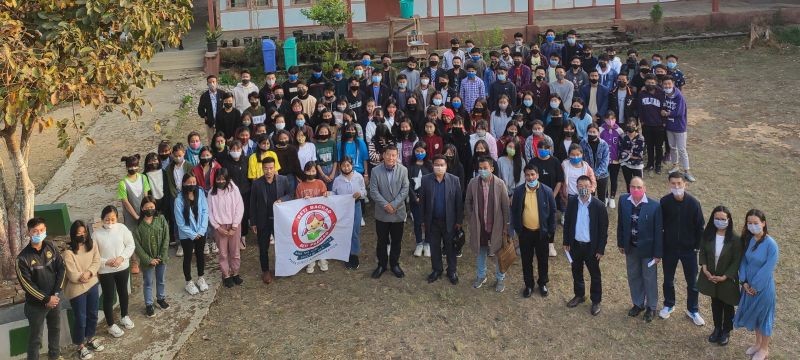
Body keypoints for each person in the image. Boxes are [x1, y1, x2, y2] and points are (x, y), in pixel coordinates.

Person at [658, 172, 705, 324]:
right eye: (673, 184)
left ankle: (693, 310)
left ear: (685, 184)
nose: (676, 186)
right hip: (669, 249)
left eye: (679, 183)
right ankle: (668, 304)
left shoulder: (694, 203)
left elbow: (700, 227)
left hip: (689, 250)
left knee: (692, 282)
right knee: (668, 279)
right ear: (669, 185)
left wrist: (697, 247)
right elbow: (660, 225)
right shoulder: (664, 202)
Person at [17, 218, 66, 360]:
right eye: (35, 231)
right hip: (36, 306)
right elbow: (27, 285)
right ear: (29, 232)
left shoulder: (51, 247)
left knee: (55, 330)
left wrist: (56, 293)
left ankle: (55, 356)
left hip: (54, 300)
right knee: (35, 339)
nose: (39, 233)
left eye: (42, 230)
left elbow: (61, 269)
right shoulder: (22, 259)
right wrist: (46, 299)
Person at [617, 177, 663, 322]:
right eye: (632, 187)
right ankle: (638, 303)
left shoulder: (654, 206)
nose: (635, 190)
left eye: (638, 187)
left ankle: (651, 307)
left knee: (649, 278)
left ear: (644, 188)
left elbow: (658, 231)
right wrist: (621, 243)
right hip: (631, 248)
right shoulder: (623, 200)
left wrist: (657, 254)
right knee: (633, 276)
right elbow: (621, 224)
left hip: (648, 251)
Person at [734, 209, 778, 360]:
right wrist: (744, 282)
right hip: (748, 286)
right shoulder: (749, 240)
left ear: (763, 223)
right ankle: (758, 344)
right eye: (749, 223)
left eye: (756, 223)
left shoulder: (771, 245)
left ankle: (764, 349)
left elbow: (768, 268)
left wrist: (755, 286)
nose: (752, 226)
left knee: (764, 318)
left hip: (763, 289)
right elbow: (744, 261)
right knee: (755, 316)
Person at [563, 175, 608, 315]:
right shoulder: (572, 202)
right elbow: (568, 223)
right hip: (575, 245)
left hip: (592, 247)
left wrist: (600, 249)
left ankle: (596, 301)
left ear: (591, 187)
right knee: (576, 271)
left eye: (586, 186)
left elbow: (603, 230)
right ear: (576, 188)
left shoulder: (599, 206)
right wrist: (566, 242)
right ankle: (579, 295)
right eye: (580, 186)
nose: (583, 189)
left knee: (595, 274)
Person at [511, 164, 557, 298]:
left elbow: (553, 212)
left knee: (543, 260)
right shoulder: (519, 192)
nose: (530, 177)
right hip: (525, 233)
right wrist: (518, 229)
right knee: (526, 260)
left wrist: (550, 232)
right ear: (524, 176)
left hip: (542, 233)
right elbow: (515, 212)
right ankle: (529, 284)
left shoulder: (547, 191)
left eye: (533, 174)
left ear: (537, 175)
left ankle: (542, 283)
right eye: (527, 175)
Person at [697, 205, 741, 346]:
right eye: (717, 218)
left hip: (726, 279)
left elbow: (736, 260)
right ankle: (717, 328)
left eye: (723, 219)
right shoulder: (708, 234)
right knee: (715, 303)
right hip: (710, 277)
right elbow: (702, 251)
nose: (720, 221)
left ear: (728, 220)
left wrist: (725, 276)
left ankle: (726, 331)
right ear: (712, 219)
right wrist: (704, 268)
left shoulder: (735, 239)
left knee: (727, 305)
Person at [465, 157, 511, 293]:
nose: (482, 171)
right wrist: (471, 217)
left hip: (496, 225)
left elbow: (505, 206)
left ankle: (500, 278)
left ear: (491, 169)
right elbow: (468, 201)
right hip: (480, 225)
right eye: (480, 168)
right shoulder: (473, 183)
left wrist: (506, 225)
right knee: (481, 251)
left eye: (485, 168)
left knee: (499, 252)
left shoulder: (500, 184)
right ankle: (481, 276)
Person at [420, 155, 464, 284]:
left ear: (446, 166)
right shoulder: (425, 180)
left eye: (442, 165)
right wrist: (423, 220)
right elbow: (422, 202)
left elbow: (458, 203)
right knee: (434, 247)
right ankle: (437, 270)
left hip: (449, 221)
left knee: (450, 247)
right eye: (436, 164)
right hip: (432, 221)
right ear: (432, 166)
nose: (439, 167)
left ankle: (452, 271)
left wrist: (459, 221)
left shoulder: (454, 180)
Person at [63, 221, 104, 360]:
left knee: (93, 314)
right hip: (77, 289)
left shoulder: (92, 246)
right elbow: (71, 274)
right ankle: (80, 345)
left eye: (84, 232)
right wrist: (82, 277)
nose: (82, 235)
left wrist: (89, 273)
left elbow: (96, 261)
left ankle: (90, 338)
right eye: (78, 233)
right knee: (81, 319)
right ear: (73, 234)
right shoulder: (68, 253)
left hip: (92, 284)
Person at [249, 157, 293, 284]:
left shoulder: (283, 180)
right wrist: (253, 222)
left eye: (271, 168)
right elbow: (252, 204)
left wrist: (282, 200)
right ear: (262, 169)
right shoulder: (257, 183)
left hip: (279, 220)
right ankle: (266, 271)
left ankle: (283, 268)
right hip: (263, 221)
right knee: (263, 248)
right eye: (266, 168)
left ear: (275, 168)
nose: (268, 171)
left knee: (282, 246)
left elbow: (290, 194)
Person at [369, 145, 410, 279]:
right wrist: (386, 205)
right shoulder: (375, 171)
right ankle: (381, 264)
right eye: (388, 155)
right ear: (383, 155)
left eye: (394, 155)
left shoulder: (403, 170)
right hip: (382, 212)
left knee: (396, 241)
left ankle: (394, 264)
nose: (391, 158)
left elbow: (405, 189)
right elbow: (373, 191)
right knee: (381, 240)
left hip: (397, 212)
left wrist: (393, 204)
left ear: (397, 156)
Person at [94, 206, 136, 337]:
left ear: (117, 218)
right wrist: (105, 261)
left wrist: (121, 258)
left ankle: (124, 316)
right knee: (108, 296)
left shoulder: (122, 228)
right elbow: (94, 255)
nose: (110, 222)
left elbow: (130, 245)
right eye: (107, 219)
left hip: (122, 267)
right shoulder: (96, 234)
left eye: (113, 219)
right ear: (102, 219)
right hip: (105, 270)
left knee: (123, 292)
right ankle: (111, 324)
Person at [132, 196, 170, 317]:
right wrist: (148, 259)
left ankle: (160, 299)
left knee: (161, 279)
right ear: (142, 208)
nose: (150, 209)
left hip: (161, 257)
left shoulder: (161, 219)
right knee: (148, 282)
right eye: (147, 207)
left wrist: (162, 255)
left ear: (155, 207)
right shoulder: (138, 226)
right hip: (147, 261)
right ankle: (149, 304)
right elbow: (137, 246)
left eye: (152, 207)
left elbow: (166, 237)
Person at [174, 173, 210, 296]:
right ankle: (188, 282)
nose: (192, 185)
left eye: (194, 182)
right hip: (186, 235)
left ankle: (201, 278)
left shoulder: (200, 193)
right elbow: (180, 222)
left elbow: (205, 211)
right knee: (188, 257)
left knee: (200, 255)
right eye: (189, 183)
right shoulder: (179, 199)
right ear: (184, 183)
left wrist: (201, 230)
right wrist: (193, 234)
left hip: (201, 232)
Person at [208, 168, 245, 287]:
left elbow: (239, 207)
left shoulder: (234, 190)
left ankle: (235, 273)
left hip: (234, 225)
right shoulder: (211, 193)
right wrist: (218, 227)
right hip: (220, 227)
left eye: (223, 179)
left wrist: (234, 226)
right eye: (218, 179)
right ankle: (226, 274)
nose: (220, 181)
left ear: (227, 179)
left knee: (235, 251)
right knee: (223, 253)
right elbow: (210, 212)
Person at [332, 156, 367, 269]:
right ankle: (345, 253)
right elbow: (334, 194)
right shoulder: (337, 180)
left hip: (356, 206)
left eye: (348, 165)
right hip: (343, 209)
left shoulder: (358, 177)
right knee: (345, 231)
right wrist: (328, 194)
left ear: (352, 165)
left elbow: (364, 191)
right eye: (343, 165)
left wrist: (360, 194)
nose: (346, 168)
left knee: (354, 231)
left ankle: (354, 254)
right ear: (340, 167)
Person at [118, 154, 149, 274]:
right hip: (130, 215)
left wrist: (146, 211)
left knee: (144, 235)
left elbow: (146, 196)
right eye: (131, 167)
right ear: (127, 167)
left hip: (143, 211)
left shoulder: (143, 178)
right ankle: (134, 262)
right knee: (131, 238)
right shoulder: (122, 183)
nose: (133, 169)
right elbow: (125, 202)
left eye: (135, 166)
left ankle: (145, 257)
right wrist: (136, 215)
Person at [662, 76, 695, 181]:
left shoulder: (679, 96)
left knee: (682, 149)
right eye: (665, 84)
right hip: (669, 126)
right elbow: (663, 106)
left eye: (669, 84)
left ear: (673, 84)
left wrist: (667, 113)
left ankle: (687, 171)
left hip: (679, 127)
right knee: (672, 147)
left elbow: (679, 112)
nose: (667, 86)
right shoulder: (664, 95)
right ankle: (675, 166)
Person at [638, 74, 667, 173]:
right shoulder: (642, 94)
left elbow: (665, 108)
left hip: (659, 125)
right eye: (648, 82)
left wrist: (663, 122)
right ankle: (650, 164)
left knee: (659, 147)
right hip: (647, 124)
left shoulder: (661, 94)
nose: (650, 84)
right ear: (645, 83)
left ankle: (658, 165)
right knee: (649, 146)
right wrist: (641, 121)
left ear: (656, 83)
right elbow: (640, 108)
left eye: (652, 83)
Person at [408, 142, 432, 257]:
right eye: (417, 151)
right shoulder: (410, 166)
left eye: (422, 151)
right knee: (417, 222)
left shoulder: (429, 165)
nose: (420, 153)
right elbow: (407, 183)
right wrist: (414, 197)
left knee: (428, 222)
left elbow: (433, 183)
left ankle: (427, 243)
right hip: (415, 200)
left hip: (428, 200)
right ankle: (419, 243)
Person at [599, 111, 624, 208]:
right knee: (604, 178)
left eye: (612, 119)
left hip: (615, 160)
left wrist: (620, 157)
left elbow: (623, 144)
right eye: (608, 119)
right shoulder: (600, 129)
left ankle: (612, 197)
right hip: (603, 160)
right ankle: (605, 197)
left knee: (614, 178)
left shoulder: (619, 130)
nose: (610, 121)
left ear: (615, 119)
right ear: (605, 119)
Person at [580, 124, 610, 204]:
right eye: (590, 132)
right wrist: (590, 175)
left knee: (601, 198)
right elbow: (581, 159)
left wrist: (596, 174)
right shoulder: (582, 143)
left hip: (602, 175)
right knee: (588, 198)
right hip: (587, 176)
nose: (592, 134)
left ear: (598, 133)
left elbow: (605, 161)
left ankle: (602, 215)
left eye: (594, 132)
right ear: (587, 132)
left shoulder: (604, 144)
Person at [198, 75, 227, 140]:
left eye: (214, 82)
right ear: (207, 84)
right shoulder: (204, 96)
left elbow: (227, 105)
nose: (212, 84)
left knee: (221, 138)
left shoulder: (222, 93)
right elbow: (200, 109)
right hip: (210, 122)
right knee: (211, 140)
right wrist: (204, 116)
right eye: (210, 82)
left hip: (221, 121)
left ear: (217, 83)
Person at [619, 122, 645, 191]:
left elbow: (639, 154)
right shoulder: (622, 136)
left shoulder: (640, 138)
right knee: (629, 184)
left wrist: (627, 154)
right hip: (625, 164)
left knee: (639, 184)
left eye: (633, 125)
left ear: (636, 127)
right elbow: (621, 151)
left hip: (637, 164)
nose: (630, 126)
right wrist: (631, 155)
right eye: (629, 125)